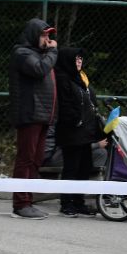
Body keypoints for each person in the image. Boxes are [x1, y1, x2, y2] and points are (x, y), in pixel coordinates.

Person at [7, 18, 58, 219]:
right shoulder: (22, 53)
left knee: (36, 160)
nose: (47, 39)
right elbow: (39, 70)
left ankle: (28, 201)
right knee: (26, 158)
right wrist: (53, 51)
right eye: (44, 35)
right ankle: (20, 204)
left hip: (43, 115)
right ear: (34, 35)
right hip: (29, 114)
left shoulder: (41, 55)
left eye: (49, 35)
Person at [54, 47, 104, 216]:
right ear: (68, 60)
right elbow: (65, 105)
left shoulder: (81, 78)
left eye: (81, 58)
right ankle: (66, 203)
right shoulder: (63, 78)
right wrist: (76, 120)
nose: (79, 61)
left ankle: (78, 201)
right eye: (76, 58)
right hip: (72, 132)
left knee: (84, 167)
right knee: (71, 168)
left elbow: (89, 103)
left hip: (85, 133)